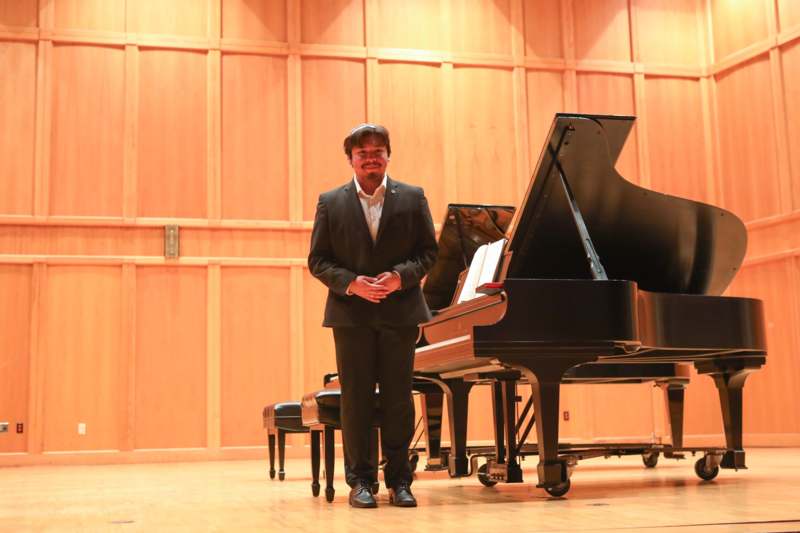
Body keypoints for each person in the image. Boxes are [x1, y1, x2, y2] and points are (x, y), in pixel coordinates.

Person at [308, 124, 438, 508]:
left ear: (388, 155)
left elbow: (429, 253)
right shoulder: (330, 202)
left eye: (377, 152)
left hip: (401, 314)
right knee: (357, 401)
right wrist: (351, 284)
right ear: (350, 159)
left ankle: (400, 480)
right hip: (351, 316)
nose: (371, 159)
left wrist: (400, 277)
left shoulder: (413, 197)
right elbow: (318, 260)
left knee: (399, 400)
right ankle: (361, 481)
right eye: (362, 153)